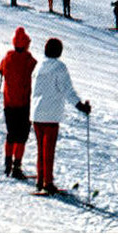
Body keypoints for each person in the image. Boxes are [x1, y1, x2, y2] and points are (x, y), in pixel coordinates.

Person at [31, 37, 91, 194]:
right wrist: (80, 106)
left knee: (41, 150)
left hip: (37, 113)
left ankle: (41, 179)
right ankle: (48, 183)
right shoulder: (59, 67)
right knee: (48, 150)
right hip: (50, 114)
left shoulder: (39, 66)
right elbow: (67, 90)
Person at [0, 27, 37, 179]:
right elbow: (35, 66)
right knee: (22, 136)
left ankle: (7, 164)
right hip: (24, 104)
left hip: (9, 104)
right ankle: (16, 166)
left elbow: (0, 70)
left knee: (11, 135)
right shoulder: (28, 59)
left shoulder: (8, 57)